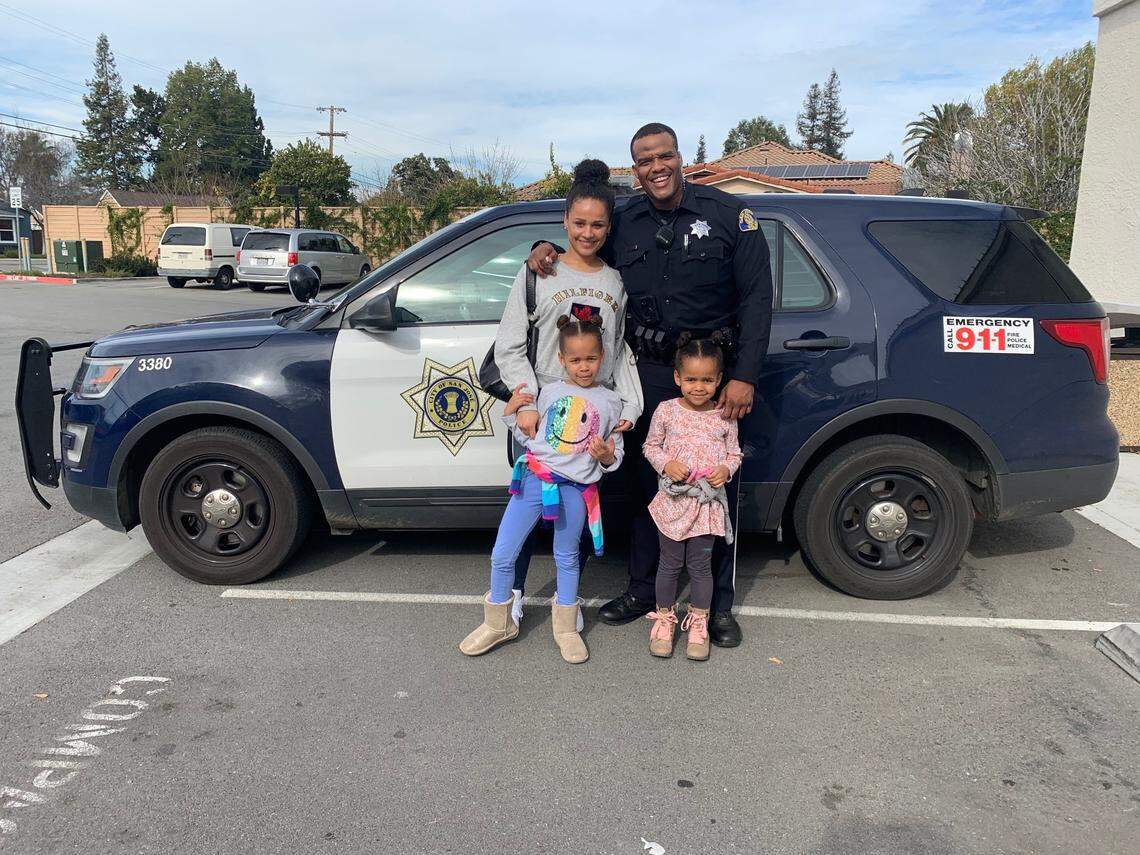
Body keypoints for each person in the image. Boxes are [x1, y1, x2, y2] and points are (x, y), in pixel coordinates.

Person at [527, 122, 773, 647]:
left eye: (664, 156)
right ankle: (643, 589)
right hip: (650, 371)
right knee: (646, 481)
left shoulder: (727, 215)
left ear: (680, 157)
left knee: (715, 484)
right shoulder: (625, 221)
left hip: (713, 374)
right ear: (635, 169)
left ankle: (718, 606)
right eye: (644, 160)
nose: (656, 167)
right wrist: (542, 247)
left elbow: (757, 298)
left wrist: (744, 375)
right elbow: (583, 245)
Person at [495, 159, 641, 628]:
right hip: (537, 419)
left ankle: (566, 603)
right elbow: (510, 343)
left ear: (609, 226)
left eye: (598, 224)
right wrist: (525, 401)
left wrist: (627, 411)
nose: (588, 232)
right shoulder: (540, 272)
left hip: (588, 424)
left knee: (572, 520)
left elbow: (619, 354)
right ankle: (510, 597)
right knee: (522, 517)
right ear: (564, 222)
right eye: (579, 222)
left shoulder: (615, 282)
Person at [460, 315, 625, 663]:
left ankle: (566, 628)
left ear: (603, 355)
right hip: (534, 481)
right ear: (562, 359)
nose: (584, 367)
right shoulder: (547, 392)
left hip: (575, 492)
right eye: (576, 360)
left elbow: (617, 454)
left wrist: (608, 456)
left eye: (591, 359)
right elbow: (530, 437)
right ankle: (498, 623)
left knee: (567, 557)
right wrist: (509, 416)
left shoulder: (611, 402)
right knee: (503, 552)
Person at [641, 334, 742, 661]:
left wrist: (726, 469)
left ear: (719, 380)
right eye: (691, 379)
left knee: (700, 567)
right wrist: (666, 464)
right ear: (677, 378)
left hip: (706, 505)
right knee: (669, 564)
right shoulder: (666, 411)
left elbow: (735, 453)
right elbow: (650, 447)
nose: (699, 387)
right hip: (673, 504)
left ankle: (699, 621)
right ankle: (665, 618)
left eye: (707, 380)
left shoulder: (724, 414)